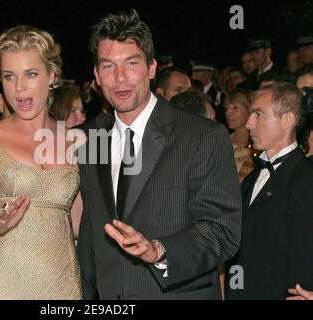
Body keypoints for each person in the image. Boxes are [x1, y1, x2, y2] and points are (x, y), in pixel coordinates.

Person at [76, 9, 241, 300]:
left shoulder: (202, 136)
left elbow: (221, 232)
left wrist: (159, 251)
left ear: (152, 68)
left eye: (131, 63)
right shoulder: (89, 140)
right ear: (97, 76)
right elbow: (90, 237)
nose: (120, 78)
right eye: (108, 66)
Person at [0, 25, 83, 300]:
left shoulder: (76, 143)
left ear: (52, 76)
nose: (19, 88)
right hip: (4, 286)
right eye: (9, 77)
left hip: (64, 287)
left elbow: (79, 226)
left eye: (31, 74)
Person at [226, 83, 313, 300]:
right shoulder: (252, 178)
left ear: (288, 120)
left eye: (258, 114)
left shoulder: (306, 179)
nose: (249, 123)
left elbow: (304, 253)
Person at [224, 90, 255, 182]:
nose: (228, 113)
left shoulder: (261, 144)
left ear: (249, 110)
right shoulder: (223, 142)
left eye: (235, 108)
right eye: (226, 108)